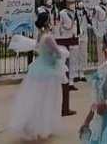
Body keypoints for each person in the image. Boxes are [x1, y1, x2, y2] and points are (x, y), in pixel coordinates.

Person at [7, 12, 65, 140]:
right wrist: (61, 55)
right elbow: (57, 52)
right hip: (48, 70)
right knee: (46, 100)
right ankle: (42, 126)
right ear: (47, 22)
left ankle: (32, 123)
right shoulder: (48, 37)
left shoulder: (40, 35)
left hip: (39, 67)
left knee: (36, 98)